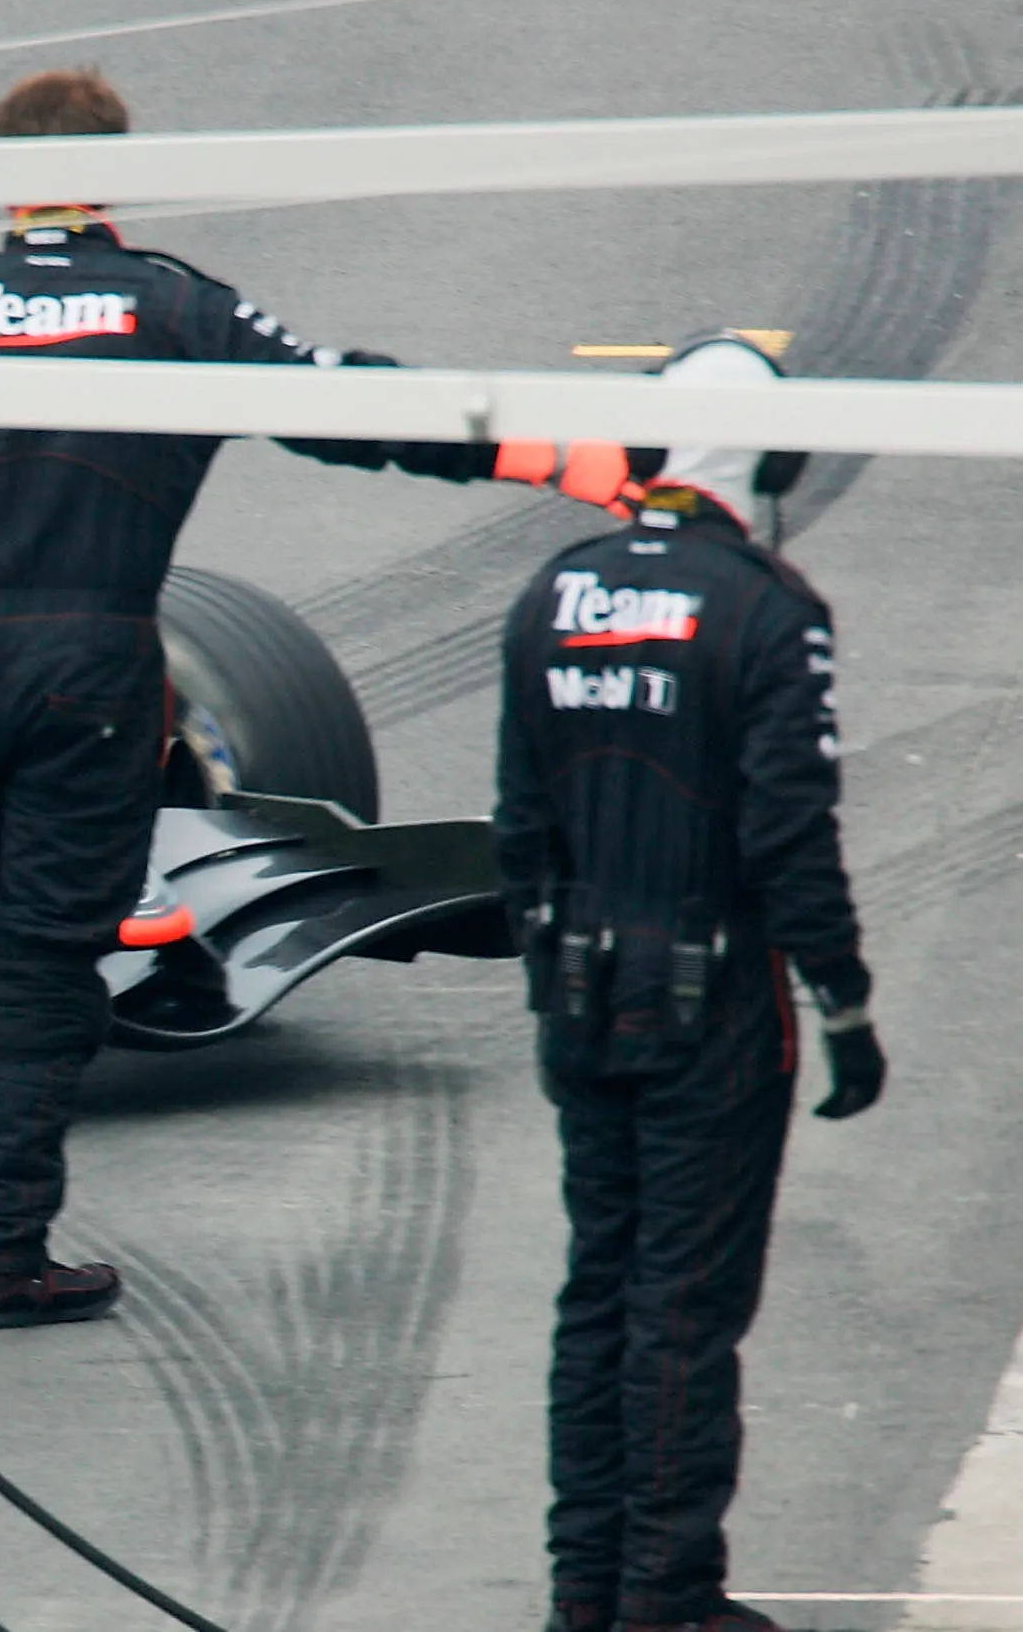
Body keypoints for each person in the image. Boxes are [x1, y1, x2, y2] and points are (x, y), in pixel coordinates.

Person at [0, 66, 576, 1330]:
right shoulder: (172, 305)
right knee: (47, 958)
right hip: (90, 676)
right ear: (114, 176)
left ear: (1, 179)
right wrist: (548, 453)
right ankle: (5, 1256)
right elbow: (346, 407)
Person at [494, 340, 880, 1632]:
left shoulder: (553, 590)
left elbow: (517, 826)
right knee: (683, 1304)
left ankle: (585, 1590)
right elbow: (789, 835)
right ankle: (666, 1598)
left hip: (578, 994)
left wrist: (554, 965)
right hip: (711, 1008)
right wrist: (844, 999)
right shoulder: (769, 607)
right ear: (774, 461)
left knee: (598, 1291)